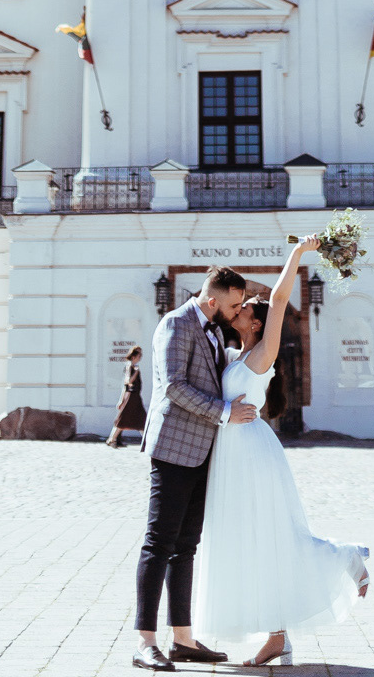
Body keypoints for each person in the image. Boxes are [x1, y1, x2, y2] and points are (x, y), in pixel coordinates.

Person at [194, 239, 368, 665]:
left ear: (256, 323)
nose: (238, 310)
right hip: (230, 457)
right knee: (249, 542)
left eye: (244, 308)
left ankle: (346, 557)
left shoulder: (263, 353)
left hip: (252, 455)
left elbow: (277, 298)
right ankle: (278, 637)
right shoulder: (236, 354)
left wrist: (300, 252)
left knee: (272, 536)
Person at [133, 265, 254, 672]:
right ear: (213, 300)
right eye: (234, 305)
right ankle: (145, 642)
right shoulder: (176, 323)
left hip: (203, 451)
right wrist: (225, 412)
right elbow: (173, 386)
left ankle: (183, 640)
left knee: (186, 546)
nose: (236, 312)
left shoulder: (215, 331)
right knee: (158, 544)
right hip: (173, 448)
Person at [107, 345, 148, 449]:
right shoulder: (130, 366)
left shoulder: (132, 366)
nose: (140, 357)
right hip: (132, 397)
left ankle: (147, 441)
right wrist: (136, 372)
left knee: (141, 419)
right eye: (139, 355)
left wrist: (121, 400)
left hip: (135, 397)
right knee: (124, 419)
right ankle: (112, 439)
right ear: (134, 356)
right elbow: (128, 382)